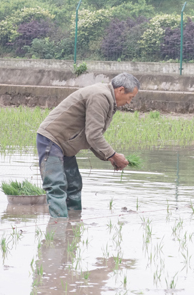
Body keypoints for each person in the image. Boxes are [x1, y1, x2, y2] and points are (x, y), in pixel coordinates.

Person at [36, 73, 140, 218]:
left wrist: (109, 157)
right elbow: (93, 135)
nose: (129, 102)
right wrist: (113, 155)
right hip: (52, 140)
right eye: (130, 98)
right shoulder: (100, 96)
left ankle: (73, 223)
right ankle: (58, 230)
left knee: (74, 185)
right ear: (121, 90)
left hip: (66, 143)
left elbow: (90, 136)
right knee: (56, 186)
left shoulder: (107, 99)